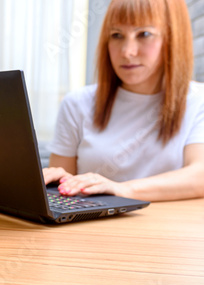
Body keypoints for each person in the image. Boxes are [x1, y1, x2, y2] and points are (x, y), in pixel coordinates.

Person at [43, 0, 204, 202]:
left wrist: (122, 189)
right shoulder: (76, 103)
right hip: (92, 230)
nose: (127, 52)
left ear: (173, 38)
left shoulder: (198, 101)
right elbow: (59, 191)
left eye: (144, 34)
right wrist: (54, 180)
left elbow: (200, 176)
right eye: (117, 35)